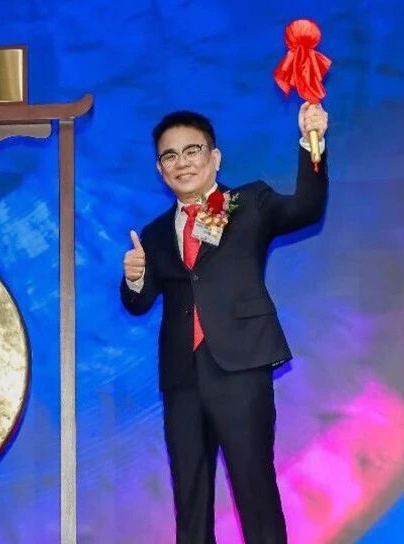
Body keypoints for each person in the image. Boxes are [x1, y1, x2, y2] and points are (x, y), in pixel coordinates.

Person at [120, 103, 328, 543]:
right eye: (169, 155)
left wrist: (312, 143)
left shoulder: (249, 203)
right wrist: (134, 278)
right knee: (190, 500)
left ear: (214, 157)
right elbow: (139, 303)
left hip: (240, 368)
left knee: (255, 490)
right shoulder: (154, 233)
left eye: (192, 150)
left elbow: (307, 208)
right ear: (160, 170)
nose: (181, 162)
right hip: (181, 378)